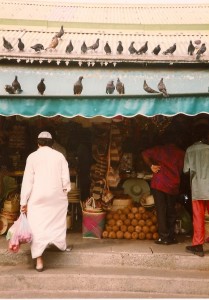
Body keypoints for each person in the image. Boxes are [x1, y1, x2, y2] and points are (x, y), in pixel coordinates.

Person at [20, 131, 71, 271]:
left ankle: (39, 260)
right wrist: (65, 191)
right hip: (56, 195)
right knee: (56, 221)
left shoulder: (32, 157)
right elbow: (65, 179)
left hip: (37, 196)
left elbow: (27, 181)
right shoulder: (59, 156)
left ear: (38, 143)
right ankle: (58, 244)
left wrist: (23, 202)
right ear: (51, 143)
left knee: (37, 225)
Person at [142, 130, 185, 245]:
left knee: (161, 210)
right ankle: (171, 236)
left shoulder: (159, 150)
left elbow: (145, 153)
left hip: (159, 184)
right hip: (173, 185)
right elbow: (183, 170)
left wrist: (151, 166)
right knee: (171, 210)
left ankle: (163, 237)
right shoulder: (181, 153)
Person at [183, 123, 209, 257]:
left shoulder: (190, 150)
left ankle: (198, 246)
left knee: (198, 217)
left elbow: (186, 170)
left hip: (198, 188)